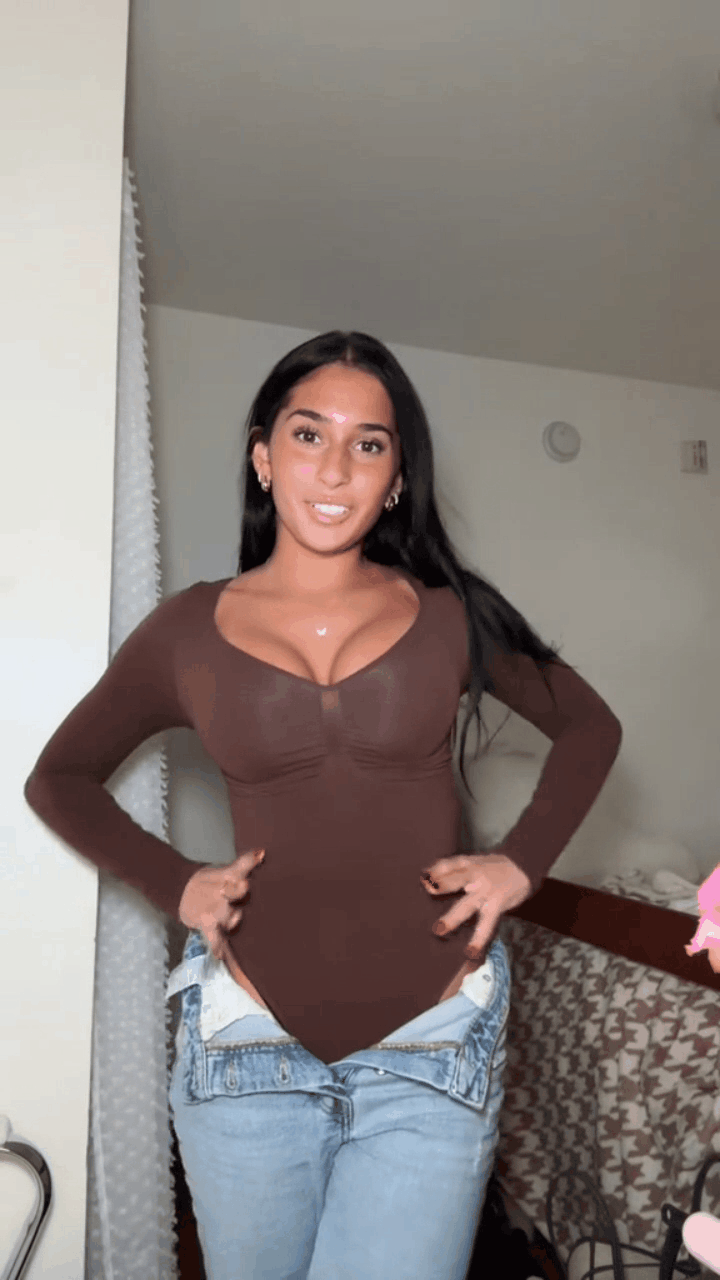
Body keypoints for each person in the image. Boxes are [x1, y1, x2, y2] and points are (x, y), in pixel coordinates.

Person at [25, 330, 628, 1280]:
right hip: (246, 1043)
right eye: (309, 434)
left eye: (369, 443)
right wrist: (174, 881)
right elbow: (58, 777)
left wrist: (521, 862)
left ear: (397, 479)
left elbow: (590, 726)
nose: (336, 467)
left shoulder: (450, 614)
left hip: (433, 1044)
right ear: (263, 456)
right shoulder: (184, 630)